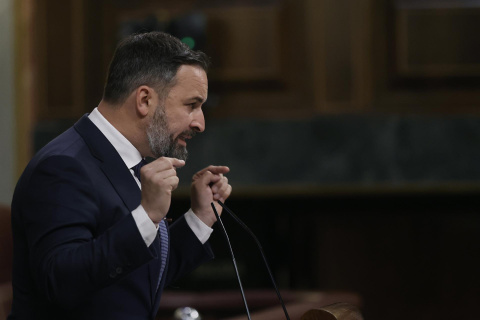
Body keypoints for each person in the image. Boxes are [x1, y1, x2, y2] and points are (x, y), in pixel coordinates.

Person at [9, 31, 232, 320]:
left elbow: (133, 279)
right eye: (192, 105)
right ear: (144, 100)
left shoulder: (126, 161)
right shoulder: (63, 166)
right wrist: (147, 215)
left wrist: (200, 218)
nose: (200, 123)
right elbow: (60, 282)